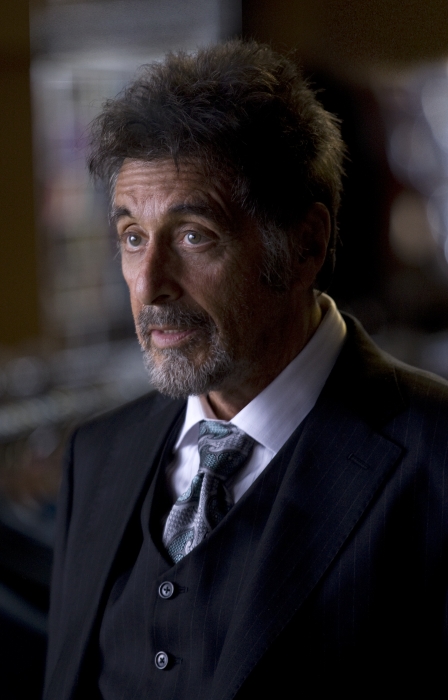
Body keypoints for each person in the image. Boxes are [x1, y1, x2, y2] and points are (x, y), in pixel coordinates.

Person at [44, 41, 448, 699]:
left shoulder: (437, 459)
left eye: (194, 235)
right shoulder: (96, 457)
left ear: (306, 245)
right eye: (133, 237)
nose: (150, 285)